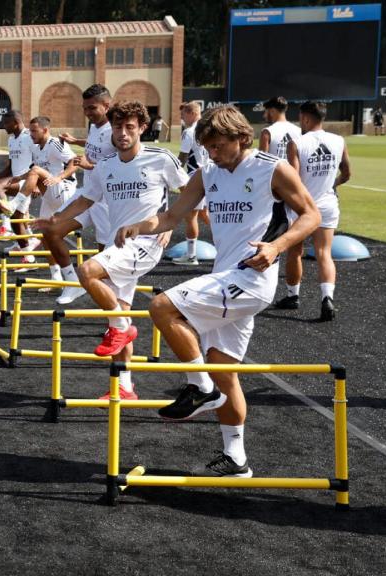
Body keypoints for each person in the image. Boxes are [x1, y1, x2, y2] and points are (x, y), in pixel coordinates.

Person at [116, 105, 320, 477]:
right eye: (206, 146)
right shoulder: (207, 171)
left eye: (217, 145)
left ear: (241, 137)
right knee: (224, 371)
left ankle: (199, 387)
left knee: (161, 307)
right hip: (225, 277)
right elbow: (173, 215)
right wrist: (139, 225)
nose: (211, 152)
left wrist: (277, 247)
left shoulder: (270, 167)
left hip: (251, 279)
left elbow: (311, 214)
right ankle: (236, 457)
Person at [34, 101, 186, 400]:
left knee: (87, 271)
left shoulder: (161, 158)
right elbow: (86, 200)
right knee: (119, 313)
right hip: (120, 247)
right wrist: (55, 219)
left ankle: (121, 328)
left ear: (143, 128)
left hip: (144, 244)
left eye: (130, 127)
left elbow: (189, 192)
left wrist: (168, 224)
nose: (123, 133)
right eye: (118, 127)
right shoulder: (105, 167)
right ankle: (125, 386)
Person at [276, 101, 351, 321]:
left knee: (294, 252)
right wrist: (332, 185)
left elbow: (295, 180)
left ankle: (293, 296)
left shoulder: (296, 143)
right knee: (324, 253)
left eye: (300, 117)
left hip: (303, 206)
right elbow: (347, 173)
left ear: (306, 118)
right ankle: (327, 298)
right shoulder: (339, 140)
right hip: (328, 203)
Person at [47, 83, 117, 304]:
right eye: (85, 108)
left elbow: (124, 163)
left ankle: (114, 318)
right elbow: (96, 144)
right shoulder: (95, 126)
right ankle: (73, 283)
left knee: (103, 260)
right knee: (50, 230)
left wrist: (92, 164)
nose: (87, 113)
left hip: (107, 201)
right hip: (87, 195)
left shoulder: (118, 130)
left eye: (92, 108)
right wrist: (76, 142)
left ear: (107, 105)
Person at [14, 116, 76, 281]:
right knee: (46, 236)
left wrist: (59, 177)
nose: (31, 134)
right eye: (30, 131)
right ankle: (56, 277)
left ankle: (15, 204)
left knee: (35, 170)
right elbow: (35, 171)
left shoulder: (55, 143)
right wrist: (19, 179)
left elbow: (75, 161)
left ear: (45, 130)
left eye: (34, 131)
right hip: (49, 194)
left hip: (65, 190)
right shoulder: (36, 148)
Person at [0, 110, 36, 259]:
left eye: (6, 123)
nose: (4, 127)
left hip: (27, 182)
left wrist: (37, 184)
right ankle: (28, 245)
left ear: (16, 123)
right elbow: (10, 166)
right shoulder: (12, 139)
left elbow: (38, 161)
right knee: (18, 217)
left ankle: (6, 227)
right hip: (15, 180)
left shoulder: (29, 137)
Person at [173, 101, 211, 266]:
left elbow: (182, 158)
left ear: (190, 113)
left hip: (195, 178)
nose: (182, 119)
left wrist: (173, 177)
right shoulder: (210, 129)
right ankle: (233, 245)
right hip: (212, 176)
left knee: (191, 217)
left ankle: (191, 256)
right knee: (205, 215)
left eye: (183, 115)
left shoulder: (189, 132)